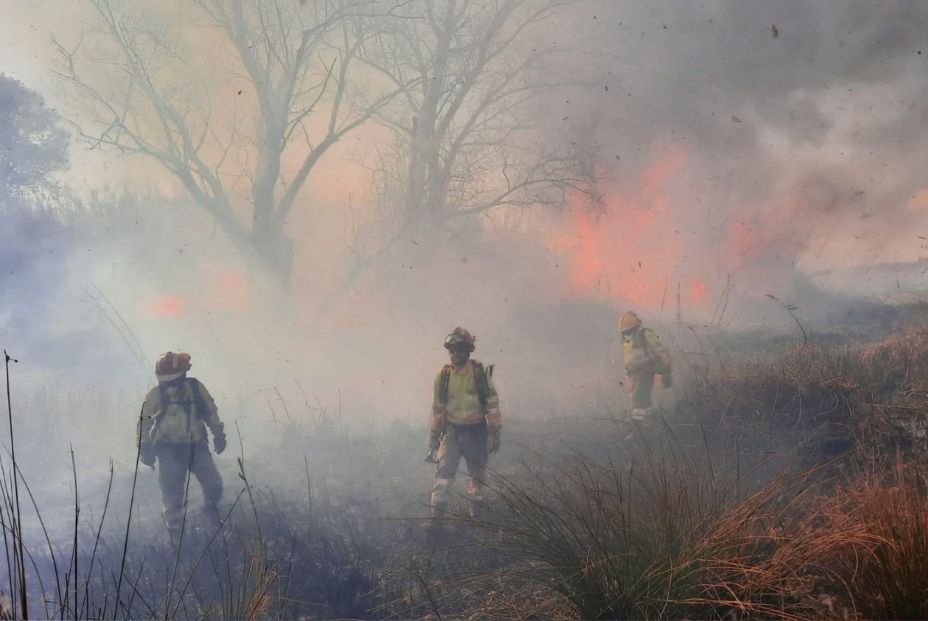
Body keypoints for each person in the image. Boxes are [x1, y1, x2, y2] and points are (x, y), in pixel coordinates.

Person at [137, 351, 227, 538]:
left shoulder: (196, 388)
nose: (170, 387)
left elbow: (210, 411)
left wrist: (218, 433)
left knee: (214, 485)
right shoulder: (156, 395)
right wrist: (144, 446)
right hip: (168, 451)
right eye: (166, 382)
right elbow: (144, 421)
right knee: (172, 499)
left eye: (173, 382)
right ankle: (177, 538)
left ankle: (210, 513)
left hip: (197, 448)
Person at [428, 327, 502, 519]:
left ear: (468, 351)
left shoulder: (479, 374)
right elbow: (437, 409)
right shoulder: (442, 377)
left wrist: (494, 433)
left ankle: (476, 518)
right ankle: (436, 522)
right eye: (452, 350)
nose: (455, 354)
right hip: (451, 432)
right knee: (443, 474)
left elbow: (492, 405)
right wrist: (434, 437)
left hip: (476, 432)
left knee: (477, 477)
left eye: (460, 349)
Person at [619, 311, 672, 420]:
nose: (626, 334)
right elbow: (628, 357)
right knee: (638, 399)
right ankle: (650, 419)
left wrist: (667, 371)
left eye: (628, 331)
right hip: (633, 373)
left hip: (646, 369)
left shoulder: (645, 334)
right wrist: (627, 372)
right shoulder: (626, 340)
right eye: (624, 332)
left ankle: (639, 425)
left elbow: (662, 351)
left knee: (639, 399)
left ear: (635, 327)